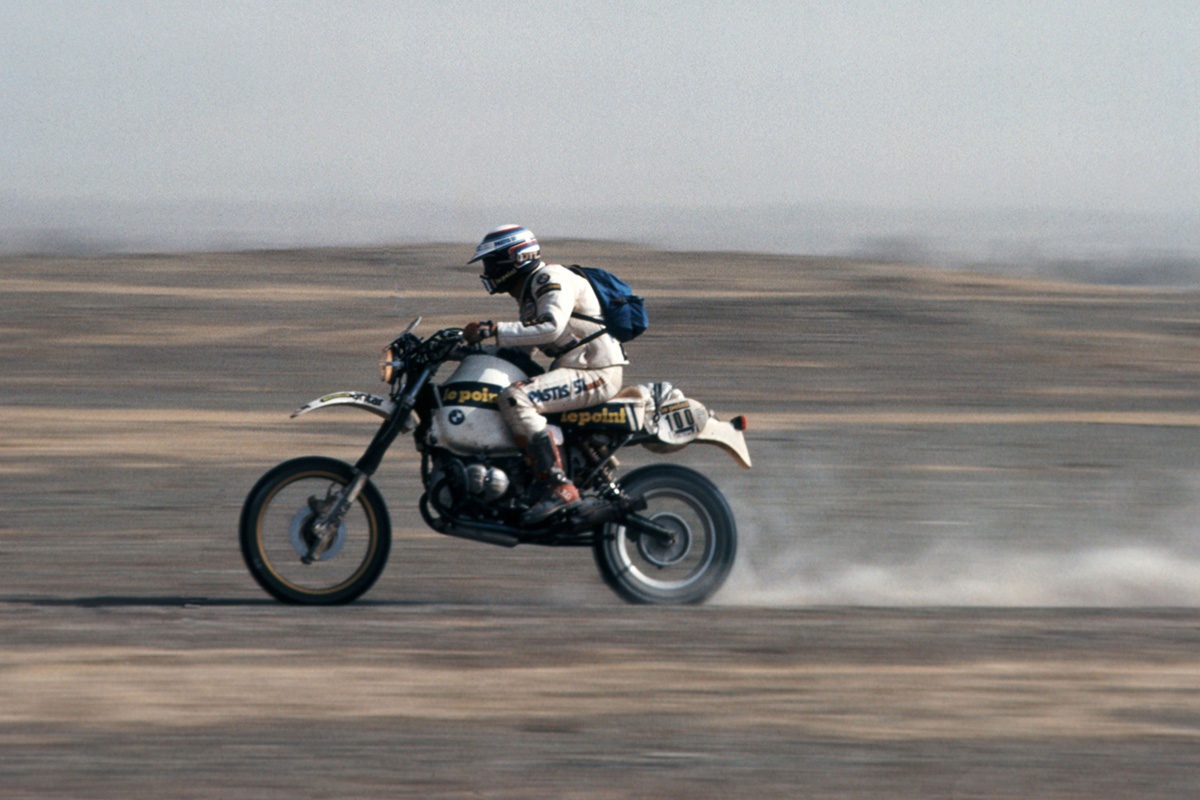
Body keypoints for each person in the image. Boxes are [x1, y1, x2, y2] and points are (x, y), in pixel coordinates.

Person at [462, 224, 627, 524]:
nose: (488, 271)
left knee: (516, 397)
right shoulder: (529, 295)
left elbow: (550, 326)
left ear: (516, 258)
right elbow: (521, 349)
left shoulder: (550, 279)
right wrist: (462, 352)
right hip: (579, 370)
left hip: (595, 371)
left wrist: (492, 329)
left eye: (492, 263)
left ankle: (559, 488)